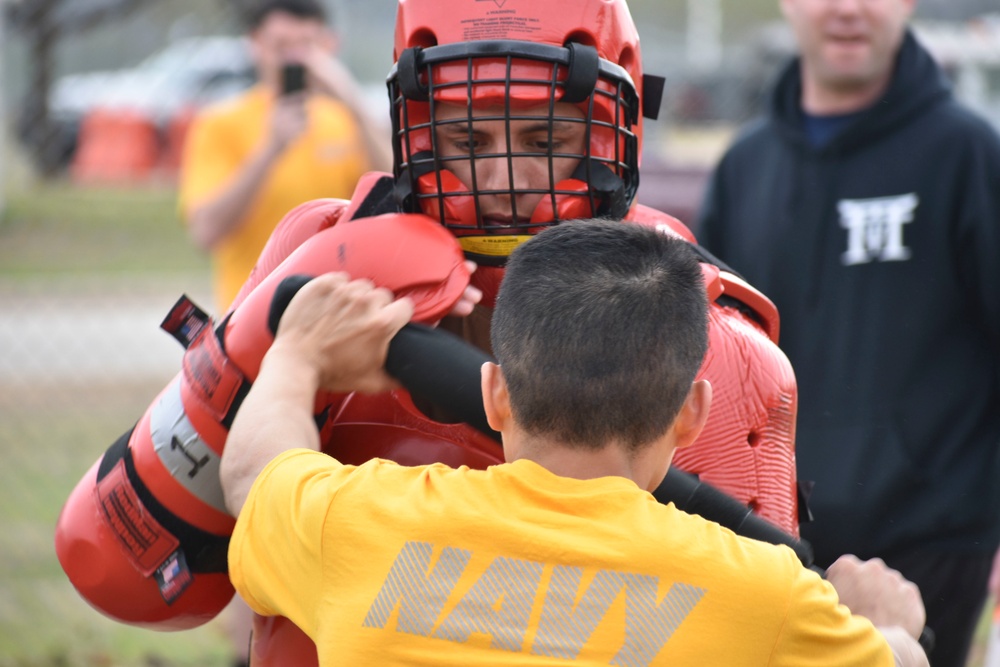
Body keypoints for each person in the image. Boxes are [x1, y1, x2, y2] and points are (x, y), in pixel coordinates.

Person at [58, 0, 810, 665]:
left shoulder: (695, 322)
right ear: (416, 122)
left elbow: (757, 616)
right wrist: (252, 346)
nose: (507, 180)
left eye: (546, 142)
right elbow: (125, 569)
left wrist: (284, 353)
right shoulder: (331, 257)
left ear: (612, 120)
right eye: (470, 142)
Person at [219, 219, 928, 666]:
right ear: (692, 413)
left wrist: (298, 353)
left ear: (494, 393)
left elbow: (254, 473)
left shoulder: (361, 528)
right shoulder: (764, 597)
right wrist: (886, 623)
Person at [696, 1, 1000, 665]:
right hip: (769, 540)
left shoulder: (969, 154)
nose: (847, 9)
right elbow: (709, 359)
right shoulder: (745, 167)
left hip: (933, 538)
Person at [178, 0, 392, 312]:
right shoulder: (221, 122)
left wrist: (350, 99)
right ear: (254, 44)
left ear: (327, 46)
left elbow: (391, 188)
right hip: (252, 312)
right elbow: (206, 231)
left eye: (305, 46)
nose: (292, 59)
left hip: (336, 309)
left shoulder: (343, 118)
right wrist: (271, 149)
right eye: (280, 46)